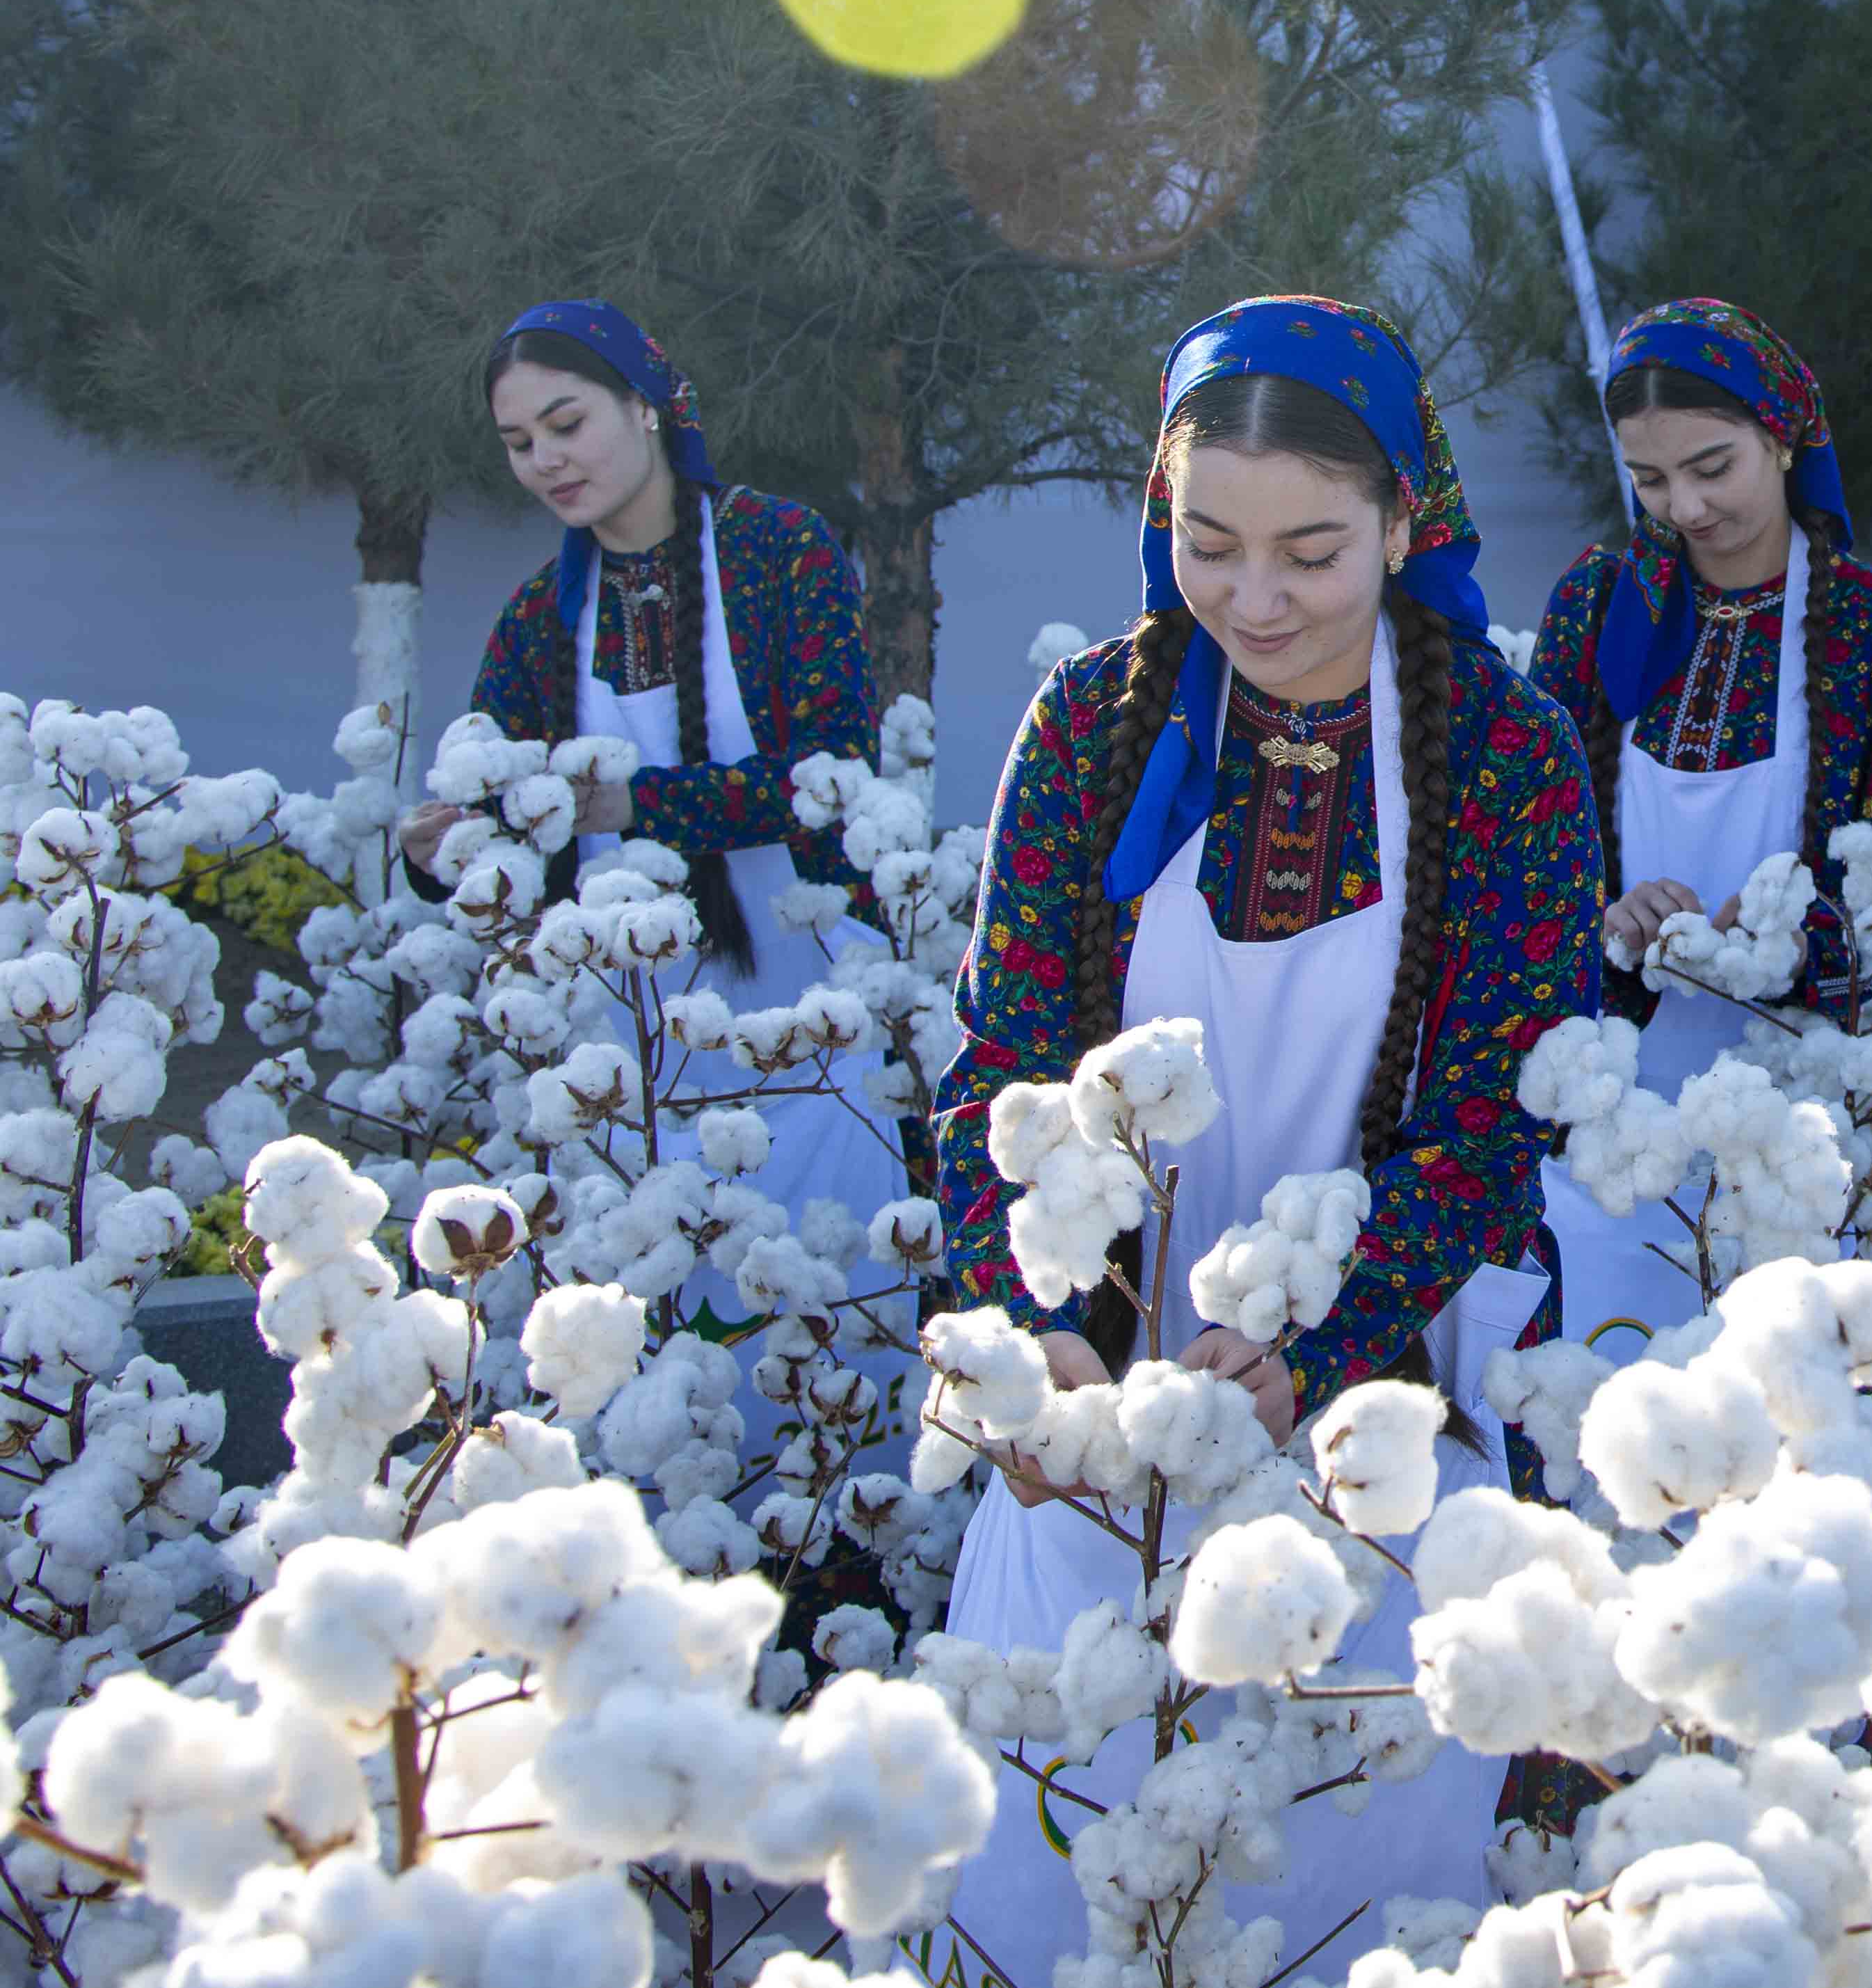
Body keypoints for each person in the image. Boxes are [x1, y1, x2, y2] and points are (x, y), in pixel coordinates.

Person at [929, 296, 1600, 1984]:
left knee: (1343, 1873)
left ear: (1403, 521)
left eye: (1311, 550)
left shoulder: (1504, 755)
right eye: (1207, 545)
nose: (1256, 598)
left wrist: (1327, 1339)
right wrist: (1038, 1342)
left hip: (1366, 1413)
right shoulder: (1096, 728)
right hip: (1102, 1423)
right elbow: (1001, 1067)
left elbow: (1489, 1123)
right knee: (1054, 1874)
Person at [399, 301, 907, 1443]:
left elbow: (835, 773)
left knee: (834, 1350)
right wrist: (442, 856)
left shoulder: (782, 554)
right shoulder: (538, 622)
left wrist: (642, 804)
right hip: (632, 1050)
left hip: (815, 1013)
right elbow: (509, 828)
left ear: (647, 404)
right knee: (657, 1383)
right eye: (520, 443)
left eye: (567, 422)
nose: (547, 460)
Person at [1528, 299, 1872, 1351]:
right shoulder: (1595, 606)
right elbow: (1522, 856)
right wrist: (1605, 918)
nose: (1686, 505)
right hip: (1607, 1109)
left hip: (1795, 1116)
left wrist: (1770, 939)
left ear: (1783, 435)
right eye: (1652, 479)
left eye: (1713, 466)